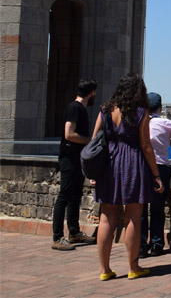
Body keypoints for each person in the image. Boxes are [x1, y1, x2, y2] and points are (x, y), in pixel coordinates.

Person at [92, 74, 165, 281]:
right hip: (132, 162)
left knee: (107, 217)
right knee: (133, 216)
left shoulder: (105, 110)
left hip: (109, 163)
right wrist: (156, 174)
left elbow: (95, 138)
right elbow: (145, 145)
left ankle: (104, 270)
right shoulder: (140, 111)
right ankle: (134, 267)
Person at [52, 79, 99, 251]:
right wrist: (90, 141)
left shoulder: (80, 108)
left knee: (74, 196)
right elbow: (69, 134)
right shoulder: (75, 108)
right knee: (64, 196)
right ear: (92, 92)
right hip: (69, 159)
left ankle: (74, 232)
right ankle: (57, 237)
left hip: (76, 159)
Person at [139, 92, 171, 258]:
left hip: (142, 167)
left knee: (140, 209)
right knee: (158, 208)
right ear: (160, 107)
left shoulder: (139, 122)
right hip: (160, 167)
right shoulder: (166, 123)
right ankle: (156, 244)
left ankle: (140, 245)